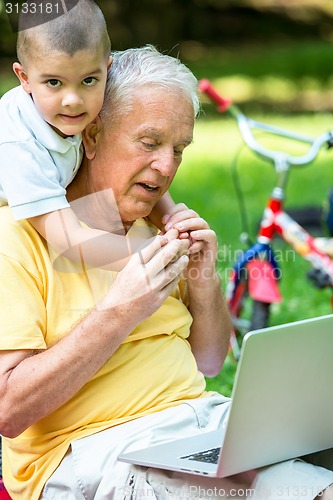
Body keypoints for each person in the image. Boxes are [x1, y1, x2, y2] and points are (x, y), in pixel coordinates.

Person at [0, 46, 333, 500]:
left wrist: (202, 277)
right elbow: (9, 410)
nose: (167, 166)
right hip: (95, 453)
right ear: (92, 136)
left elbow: (210, 361)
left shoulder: (153, 230)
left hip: (201, 426)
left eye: (179, 149)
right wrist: (121, 310)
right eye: (149, 142)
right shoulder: (17, 238)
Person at [0, 0, 174, 273]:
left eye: (88, 80)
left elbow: (138, 168)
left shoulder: (80, 109)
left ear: (107, 69)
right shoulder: (18, 143)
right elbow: (70, 241)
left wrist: (172, 220)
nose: (73, 100)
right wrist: (159, 252)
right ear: (24, 78)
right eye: (54, 82)